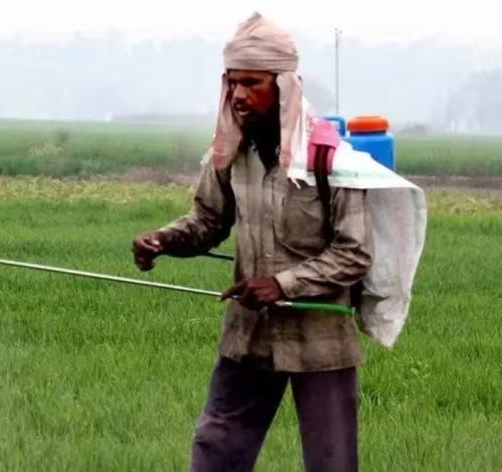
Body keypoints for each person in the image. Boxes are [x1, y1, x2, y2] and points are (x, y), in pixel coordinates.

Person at [132, 13, 372, 472]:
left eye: (252, 83)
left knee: (332, 463)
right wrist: (162, 240)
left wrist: (282, 284)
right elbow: (208, 220)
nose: (239, 95)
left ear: (282, 85)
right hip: (248, 333)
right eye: (232, 83)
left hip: (319, 337)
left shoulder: (328, 156)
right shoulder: (230, 150)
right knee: (216, 451)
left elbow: (354, 251)